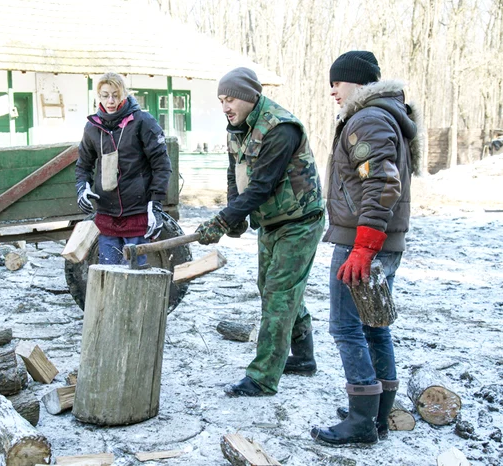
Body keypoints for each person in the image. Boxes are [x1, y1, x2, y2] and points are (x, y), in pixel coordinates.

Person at [310, 51, 420, 446]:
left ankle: (360, 421)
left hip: (363, 241)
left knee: (346, 325)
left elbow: (381, 184)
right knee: (375, 322)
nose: (332, 90)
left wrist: (364, 246)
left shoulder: (368, 118)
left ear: (357, 82)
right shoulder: (384, 114)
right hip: (379, 241)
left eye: (337, 82)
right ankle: (380, 412)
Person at [196, 67, 325, 397]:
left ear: (250, 97)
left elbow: (263, 186)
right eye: (221, 100)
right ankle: (304, 357)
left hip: (299, 222)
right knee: (272, 287)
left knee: (280, 295)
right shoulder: (236, 129)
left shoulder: (280, 128)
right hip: (271, 221)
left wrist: (222, 221)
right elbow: (233, 174)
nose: (225, 107)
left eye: (231, 100)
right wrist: (234, 213)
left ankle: (262, 378)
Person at [75, 72, 171, 266]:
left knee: (134, 273)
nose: (110, 101)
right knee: (108, 271)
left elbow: (161, 165)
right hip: (107, 212)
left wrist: (155, 204)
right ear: (98, 96)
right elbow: (83, 165)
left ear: (124, 94)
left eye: (115, 95)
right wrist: (82, 187)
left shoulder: (142, 122)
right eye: (105, 95)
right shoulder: (92, 128)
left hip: (136, 210)